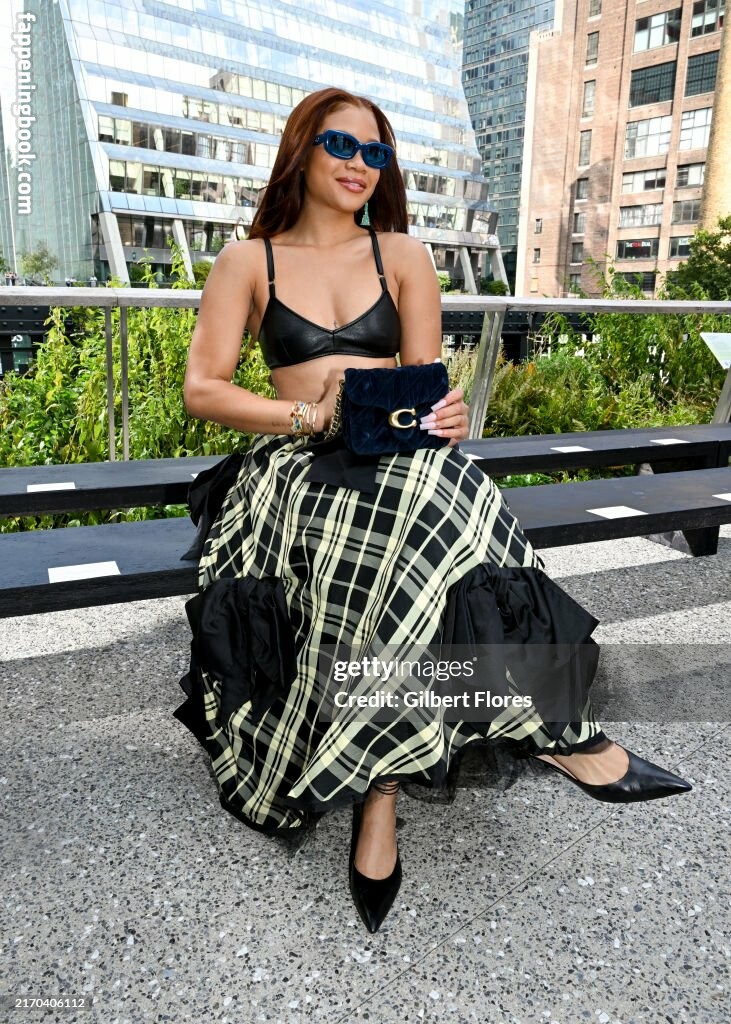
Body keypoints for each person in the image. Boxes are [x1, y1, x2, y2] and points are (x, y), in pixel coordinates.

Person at [176, 87, 691, 934]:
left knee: (436, 502)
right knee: (407, 526)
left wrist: (445, 414)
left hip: (396, 458)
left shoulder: (404, 256)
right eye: (342, 145)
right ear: (301, 150)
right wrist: (310, 415)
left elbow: (425, 384)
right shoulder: (247, 261)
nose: (359, 165)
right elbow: (204, 390)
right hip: (293, 463)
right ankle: (447, 768)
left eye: (375, 153)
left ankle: (388, 785)